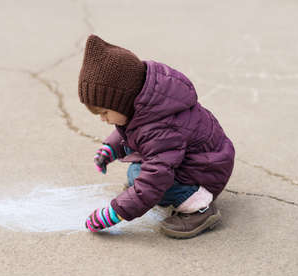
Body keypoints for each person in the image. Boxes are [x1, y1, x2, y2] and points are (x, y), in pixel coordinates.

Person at [79, 35, 235, 239]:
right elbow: (130, 132)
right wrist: (111, 148)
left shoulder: (161, 126)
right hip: (193, 160)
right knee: (136, 174)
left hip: (206, 171)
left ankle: (200, 208)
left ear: (123, 101)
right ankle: (150, 196)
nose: (102, 118)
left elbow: (155, 177)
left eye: (105, 112)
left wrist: (115, 213)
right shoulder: (146, 106)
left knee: (147, 180)